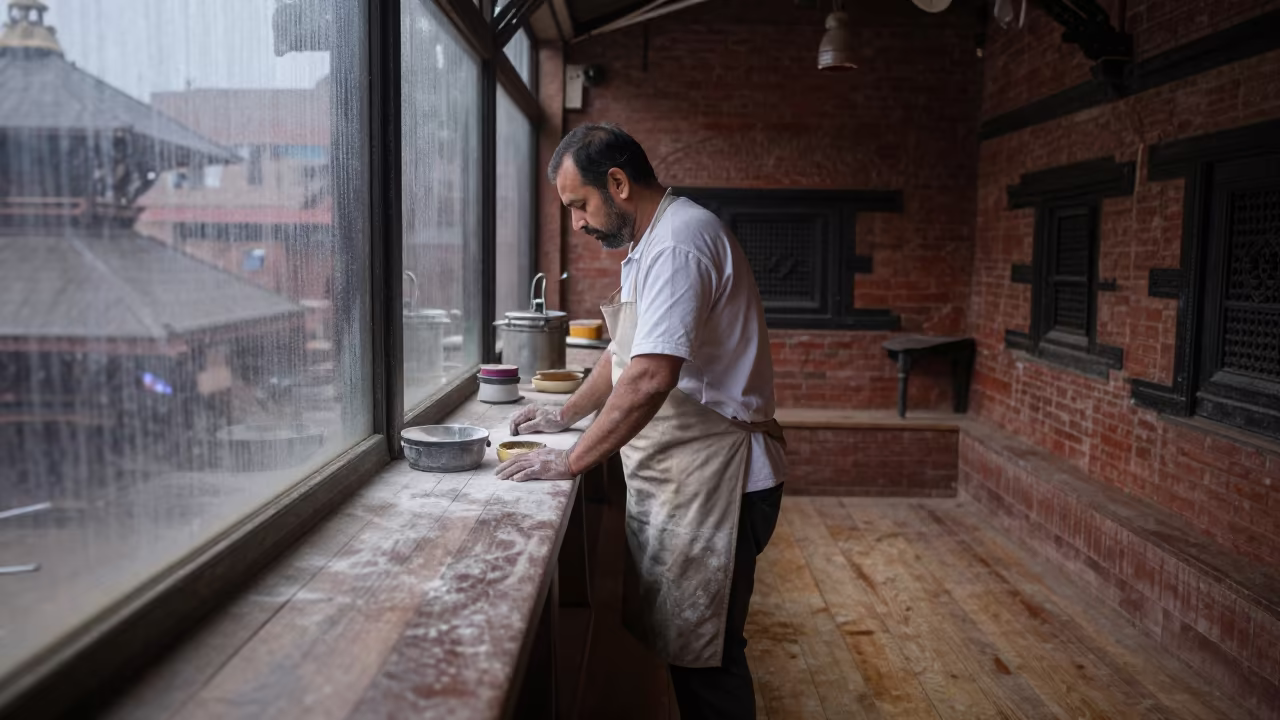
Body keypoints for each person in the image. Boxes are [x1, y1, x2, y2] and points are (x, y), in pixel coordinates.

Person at [495, 123, 787, 720]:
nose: (576, 222)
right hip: (688, 476)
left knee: (709, 660)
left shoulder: (680, 243)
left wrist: (571, 460)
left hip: (720, 483)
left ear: (619, 184)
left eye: (579, 205)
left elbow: (652, 376)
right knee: (689, 651)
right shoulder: (651, 244)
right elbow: (623, 355)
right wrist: (565, 414)